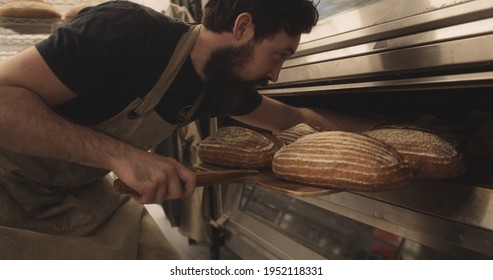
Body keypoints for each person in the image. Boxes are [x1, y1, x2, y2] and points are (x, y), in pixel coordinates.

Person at [0, 0, 367, 259]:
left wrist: (380, 131)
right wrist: (120, 155)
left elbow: (293, 117)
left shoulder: (216, 85)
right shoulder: (126, 31)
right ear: (242, 27)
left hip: (74, 197)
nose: (275, 75)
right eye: (280, 54)